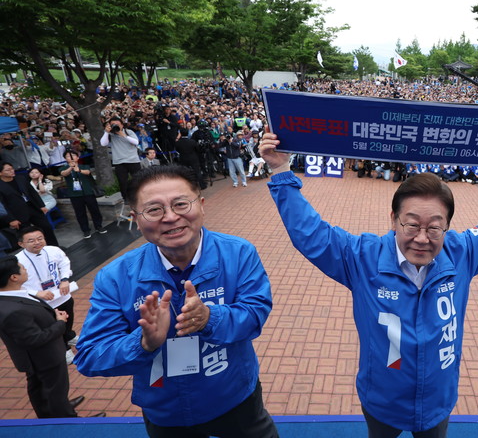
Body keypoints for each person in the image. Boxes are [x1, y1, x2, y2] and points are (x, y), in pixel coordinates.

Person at [260, 130, 478, 438]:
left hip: (436, 403)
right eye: (411, 225)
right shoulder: (362, 258)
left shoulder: (462, 253)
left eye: (435, 228)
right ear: (393, 219)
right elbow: (311, 235)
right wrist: (281, 170)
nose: (422, 239)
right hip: (381, 401)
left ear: (448, 226)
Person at [74, 165, 278, 438]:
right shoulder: (116, 276)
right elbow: (90, 356)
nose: (170, 217)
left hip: (235, 397)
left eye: (181, 204)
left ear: (201, 205)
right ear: (136, 219)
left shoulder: (238, 253)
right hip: (166, 410)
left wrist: (210, 318)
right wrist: (143, 343)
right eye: (154, 209)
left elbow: (255, 314)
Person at [0, 256, 94, 418]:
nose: (25, 269)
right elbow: (34, 339)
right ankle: (67, 419)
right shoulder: (12, 310)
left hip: (38, 358)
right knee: (55, 389)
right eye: (22, 268)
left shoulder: (12, 296)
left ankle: (53, 409)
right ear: (13, 277)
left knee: (42, 388)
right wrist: (60, 323)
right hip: (44, 358)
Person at [17, 226, 78, 363]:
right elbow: (15, 285)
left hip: (60, 293)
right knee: (53, 325)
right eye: (31, 240)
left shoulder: (53, 250)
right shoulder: (17, 261)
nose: (37, 242)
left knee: (68, 315)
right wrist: (36, 293)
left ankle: (69, 335)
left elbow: (64, 263)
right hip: (40, 300)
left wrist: (64, 279)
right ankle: (64, 349)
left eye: (40, 238)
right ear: (21, 244)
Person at [0, 162, 58, 246]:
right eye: (8, 170)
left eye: (12, 168)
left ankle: (54, 247)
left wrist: (41, 205)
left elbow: (32, 193)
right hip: (17, 214)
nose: (12, 171)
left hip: (32, 207)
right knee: (26, 235)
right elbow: (2, 205)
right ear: (1, 173)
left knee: (46, 227)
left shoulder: (20, 178)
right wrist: (11, 219)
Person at [60, 150, 105, 239]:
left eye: (73, 155)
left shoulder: (84, 166)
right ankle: (85, 230)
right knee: (80, 213)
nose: (71, 157)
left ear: (77, 157)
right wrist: (71, 168)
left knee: (94, 210)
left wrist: (79, 170)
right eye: (68, 156)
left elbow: (88, 172)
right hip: (75, 195)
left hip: (88, 192)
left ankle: (99, 226)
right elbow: (64, 174)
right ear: (65, 159)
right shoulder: (63, 168)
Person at [100, 117, 141, 201]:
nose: (115, 126)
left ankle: (140, 196)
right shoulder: (110, 134)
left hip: (133, 160)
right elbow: (103, 143)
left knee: (138, 180)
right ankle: (126, 198)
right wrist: (106, 132)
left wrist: (123, 135)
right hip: (119, 161)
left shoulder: (128, 132)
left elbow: (136, 142)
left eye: (117, 124)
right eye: (113, 124)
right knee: (122, 182)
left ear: (122, 125)